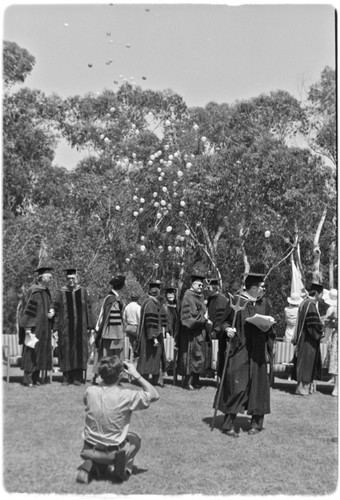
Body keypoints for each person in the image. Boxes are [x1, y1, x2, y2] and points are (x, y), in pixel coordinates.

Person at [76, 356, 160, 484]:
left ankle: (93, 463)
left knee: (101, 439)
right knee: (135, 439)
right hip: (112, 452)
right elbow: (154, 395)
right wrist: (136, 375)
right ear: (121, 374)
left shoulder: (90, 391)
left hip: (88, 448)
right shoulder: (126, 395)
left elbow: (86, 401)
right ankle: (124, 469)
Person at [213, 272, 276, 437]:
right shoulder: (236, 301)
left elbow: (271, 324)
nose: (264, 288)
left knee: (258, 387)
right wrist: (228, 329)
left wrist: (267, 326)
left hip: (258, 352)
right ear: (254, 287)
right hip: (240, 349)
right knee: (236, 385)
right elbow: (223, 322)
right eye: (262, 286)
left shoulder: (264, 303)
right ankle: (228, 424)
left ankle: (256, 423)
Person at [54, 268, 95, 386]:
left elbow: (89, 308)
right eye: (68, 278)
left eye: (73, 278)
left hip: (80, 329)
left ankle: (77, 378)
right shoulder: (61, 292)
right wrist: (56, 328)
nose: (71, 280)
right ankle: (66, 378)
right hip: (65, 329)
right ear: (66, 279)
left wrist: (90, 326)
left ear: (77, 278)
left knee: (79, 352)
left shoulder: (83, 291)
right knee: (66, 351)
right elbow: (56, 309)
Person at [19, 266, 55, 387]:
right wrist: (28, 328)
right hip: (34, 328)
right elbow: (28, 310)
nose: (51, 277)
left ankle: (36, 378)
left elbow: (50, 306)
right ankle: (27, 379)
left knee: (40, 352)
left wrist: (52, 312)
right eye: (48, 275)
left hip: (44, 327)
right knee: (31, 352)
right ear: (40, 277)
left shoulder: (46, 291)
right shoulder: (33, 291)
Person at [176, 273, 213, 390]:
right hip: (190, 334)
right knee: (191, 357)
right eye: (199, 284)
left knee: (199, 357)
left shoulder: (199, 297)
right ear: (192, 284)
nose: (201, 287)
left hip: (199, 332)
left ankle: (195, 381)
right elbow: (189, 319)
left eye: (202, 285)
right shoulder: (188, 297)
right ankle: (187, 383)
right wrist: (205, 319)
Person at [92, 275, 126, 385]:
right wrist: (118, 333)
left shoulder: (110, 298)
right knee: (109, 356)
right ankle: (104, 378)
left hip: (107, 332)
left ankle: (101, 377)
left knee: (104, 355)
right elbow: (113, 319)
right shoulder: (113, 300)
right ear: (121, 286)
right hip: (111, 334)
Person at [292, 282, 324, 396]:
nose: (321, 297)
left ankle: (304, 387)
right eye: (321, 294)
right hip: (308, 339)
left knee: (304, 362)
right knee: (306, 363)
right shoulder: (310, 304)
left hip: (304, 337)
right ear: (316, 293)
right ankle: (302, 389)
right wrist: (321, 330)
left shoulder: (304, 302)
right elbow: (312, 324)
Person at [135, 281, 168, 387]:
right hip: (151, 337)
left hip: (148, 336)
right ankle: (151, 380)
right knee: (150, 358)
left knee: (150, 358)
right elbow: (151, 322)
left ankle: (152, 379)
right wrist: (154, 338)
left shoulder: (147, 302)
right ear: (157, 292)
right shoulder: (151, 304)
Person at [205, 277, 229, 376]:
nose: (207, 289)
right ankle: (208, 371)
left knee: (221, 353)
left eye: (209, 287)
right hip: (210, 330)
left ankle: (220, 374)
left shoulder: (221, 299)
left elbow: (221, 317)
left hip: (219, 332)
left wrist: (215, 330)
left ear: (215, 287)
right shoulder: (211, 299)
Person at [323, 288, 338, 397]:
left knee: (336, 361)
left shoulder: (332, 309)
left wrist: (325, 338)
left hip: (337, 336)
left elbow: (328, 326)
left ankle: (337, 388)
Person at [123, 293, 141, 360]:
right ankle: (135, 356)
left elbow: (123, 318)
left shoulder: (127, 307)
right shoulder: (138, 307)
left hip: (128, 326)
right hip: (135, 327)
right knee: (136, 343)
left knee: (129, 344)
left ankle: (128, 357)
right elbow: (139, 318)